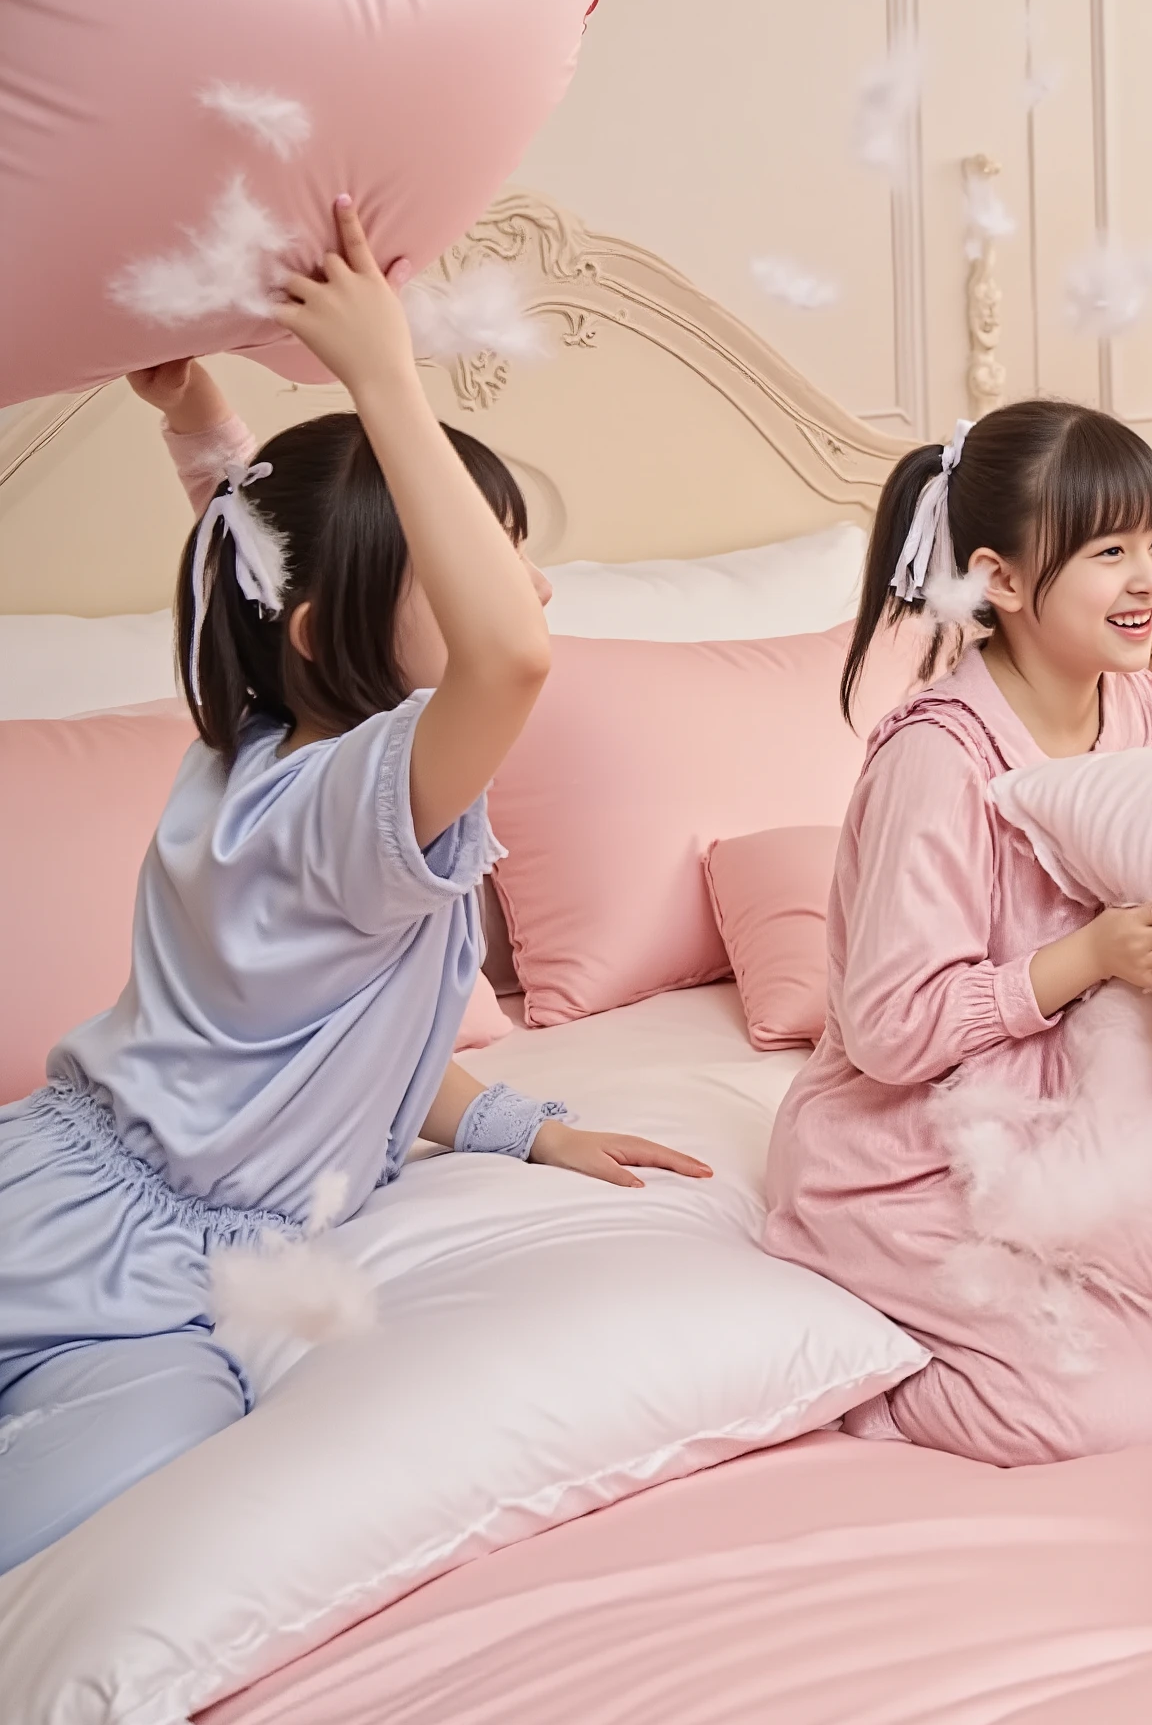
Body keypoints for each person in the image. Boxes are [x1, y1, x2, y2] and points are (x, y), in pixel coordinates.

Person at [0, 206, 703, 1574]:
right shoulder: (352, 804)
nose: (527, 588)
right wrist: (387, 379)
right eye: (478, 560)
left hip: (49, 1181)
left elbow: (334, 1057)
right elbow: (510, 661)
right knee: (160, 1461)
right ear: (333, 637)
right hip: (134, 1268)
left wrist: (196, 416)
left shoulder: (260, 750)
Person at [764, 401, 1152, 1463]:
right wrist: (1086, 959)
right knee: (1128, 1401)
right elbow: (890, 1030)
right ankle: (860, 1391)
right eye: (1109, 552)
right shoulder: (939, 762)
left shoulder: (1138, 712)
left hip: (1069, 1134)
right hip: (904, 1163)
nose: (1149, 580)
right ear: (1002, 579)